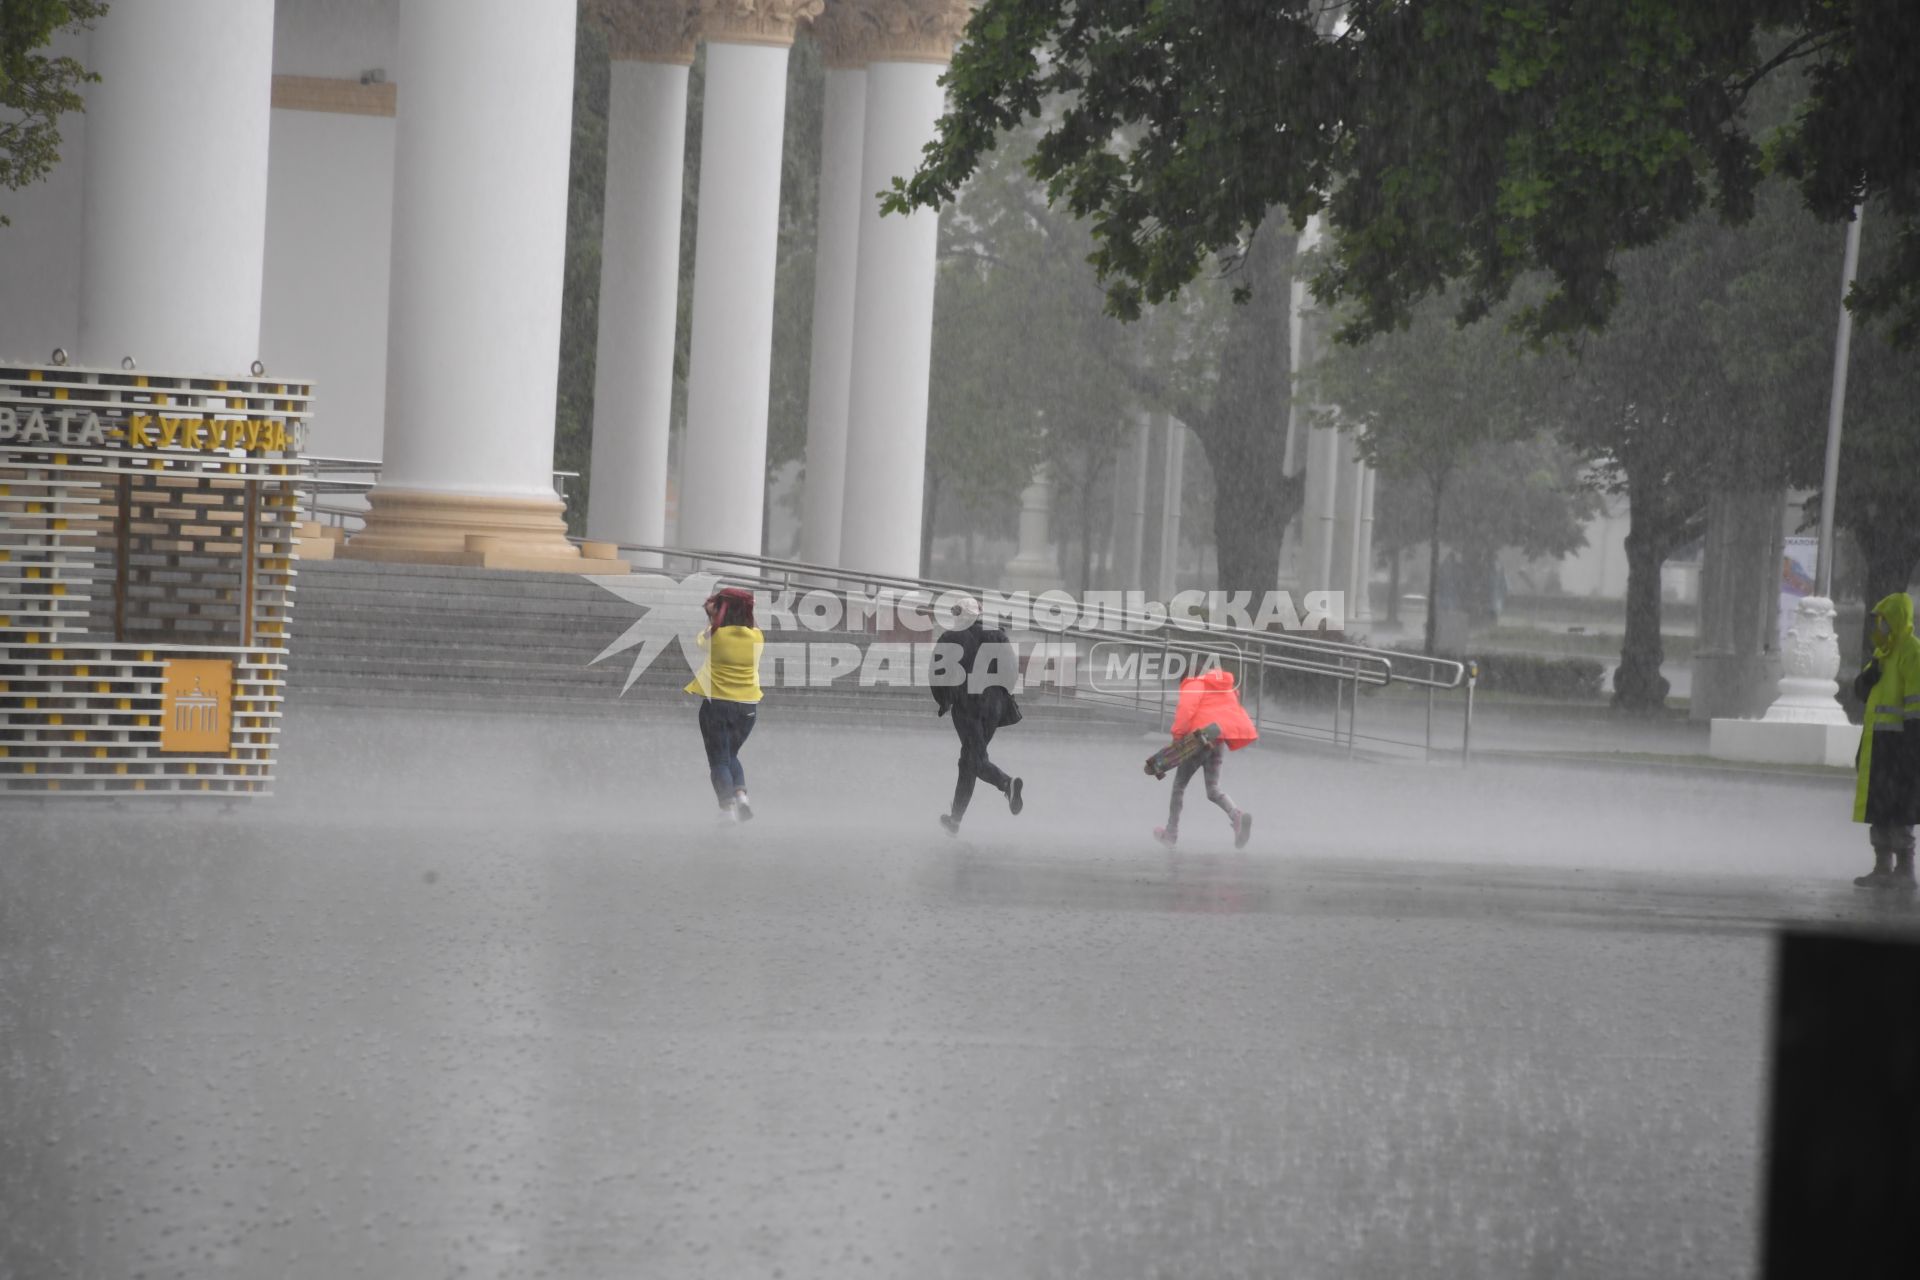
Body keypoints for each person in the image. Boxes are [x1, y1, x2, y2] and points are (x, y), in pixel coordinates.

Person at [930, 597, 1024, 834]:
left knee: (975, 760)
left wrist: (944, 701)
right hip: (994, 705)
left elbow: (937, 674)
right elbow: (1012, 670)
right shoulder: (997, 634)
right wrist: (1003, 696)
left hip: (966, 704)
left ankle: (1007, 783)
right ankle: (955, 819)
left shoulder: (950, 638)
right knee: (969, 760)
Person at [1849, 592, 1920, 890]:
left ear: (1896, 620)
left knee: (1901, 807)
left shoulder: (1912, 652)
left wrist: (1912, 748)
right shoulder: (1882, 654)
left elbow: (1916, 704)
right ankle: (1882, 867)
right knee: (1879, 806)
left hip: (1901, 744)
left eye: (1882, 619)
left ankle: (1904, 869)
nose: (1878, 625)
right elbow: (1861, 691)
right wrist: (1871, 674)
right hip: (1878, 744)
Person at [1155, 664, 1257, 849]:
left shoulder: (1194, 684)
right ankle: (1237, 816)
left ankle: (1171, 833)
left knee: (1179, 786)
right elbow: (1230, 709)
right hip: (1217, 739)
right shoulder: (1224, 686)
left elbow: (1186, 711)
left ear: (1187, 676)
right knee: (1213, 789)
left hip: (1199, 740)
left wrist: (1178, 740)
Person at [686, 586, 764, 822]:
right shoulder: (757, 638)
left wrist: (711, 615)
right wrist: (743, 605)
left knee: (719, 760)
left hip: (717, 705)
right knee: (731, 754)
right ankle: (742, 797)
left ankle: (727, 808)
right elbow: (753, 623)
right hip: (748, 708)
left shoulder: (715, 635)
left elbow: (700, 643)